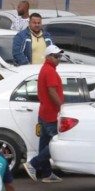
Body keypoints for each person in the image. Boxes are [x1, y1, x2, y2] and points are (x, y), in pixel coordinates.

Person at [23, 45, 65, 183]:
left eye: (59, 56)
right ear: (48, 57)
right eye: (55, 56)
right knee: (54, 145)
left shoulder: (45, 69)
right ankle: (33, 164)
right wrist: (62, 107)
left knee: (45, 145)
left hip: (44, 113)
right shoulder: (50, 71)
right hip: (51, 114)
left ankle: (47, 173)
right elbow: (52, 91)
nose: (58, 59)